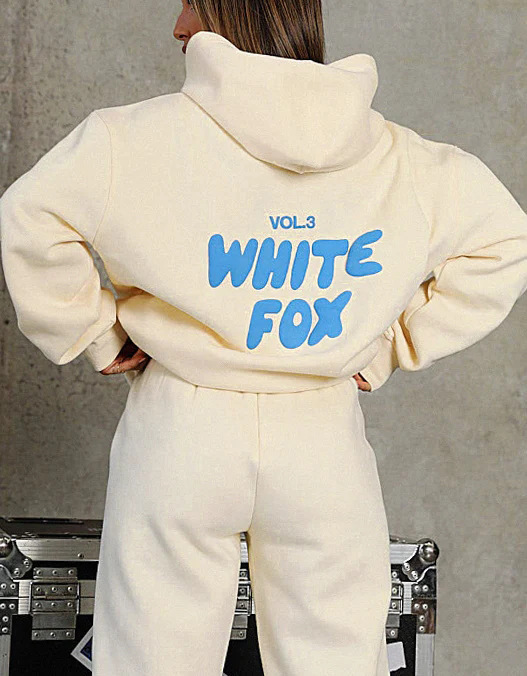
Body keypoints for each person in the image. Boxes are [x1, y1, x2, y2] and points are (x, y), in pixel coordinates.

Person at [1, 1, 526, 674]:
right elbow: (505, 242)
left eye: (191, 0)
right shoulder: (401, 158)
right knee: (334, 658)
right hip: (322, 437)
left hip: (180, 428)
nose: (178, 24)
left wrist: (96, 332)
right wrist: (392, 344)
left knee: (152, 657)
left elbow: (29, 216)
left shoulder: (128, 139)